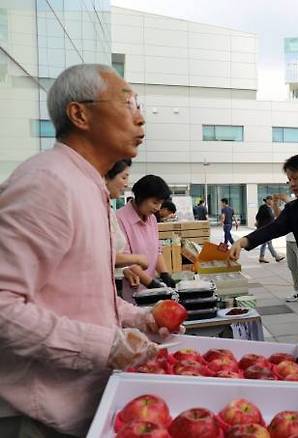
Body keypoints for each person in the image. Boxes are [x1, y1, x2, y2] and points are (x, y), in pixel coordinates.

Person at [0, 64, 179, 436]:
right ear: (79, 114)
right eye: (128, 103)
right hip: (39, 413)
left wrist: (139, 319)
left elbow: (80, 295)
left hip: (83, 407)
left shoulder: (88, 184)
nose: (140, 118)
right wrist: (106, 344)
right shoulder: (47, 183)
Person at [230, 155, 298, 354]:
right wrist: (243, 241)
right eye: (289, 180)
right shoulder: (294, 209)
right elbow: (273, 229)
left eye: (296, 178)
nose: (292, 184)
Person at [117, 175, 176, 300]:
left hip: (152, 291)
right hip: (133, 291)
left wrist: (164, 274)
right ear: (141, 197)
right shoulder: (120, 219)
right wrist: (151, 284)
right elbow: (125, 259)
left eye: (160, 203)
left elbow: (157, 251)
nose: (158, 208)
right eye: (154, 202)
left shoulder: (152, 218)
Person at [105, 159, 147, 289]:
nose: (126, 184)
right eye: (123, 177)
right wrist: (136, 259)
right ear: (106, 177)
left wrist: (123, 269)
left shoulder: (108, 209)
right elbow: (101, 256)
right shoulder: (97, 210)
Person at [255, 195, 284, 263]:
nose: (271, 201)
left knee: (265, 243)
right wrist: (258, 224)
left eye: (272, 200)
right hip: (265, 228)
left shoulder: (270, 208)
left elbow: (272, 218)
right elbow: (258, 216)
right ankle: (276, 257)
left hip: (269, 228)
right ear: (267, 200)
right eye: (270, 200)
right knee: (269, 242)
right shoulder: (263, 207)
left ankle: (261, 257)